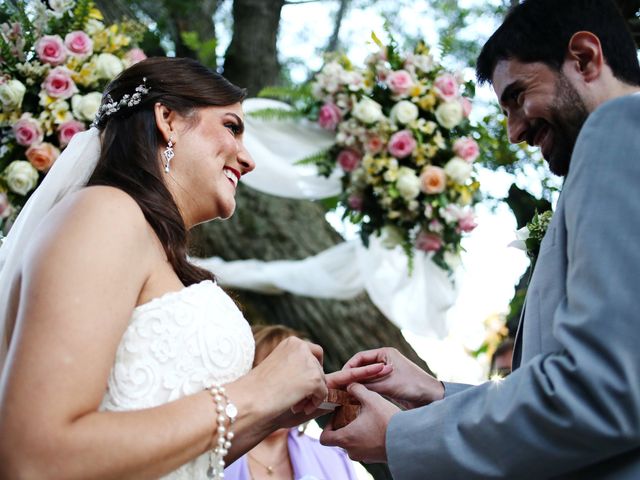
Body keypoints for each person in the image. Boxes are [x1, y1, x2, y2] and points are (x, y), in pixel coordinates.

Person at [0, 57, 383, 479]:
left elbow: (174, 463)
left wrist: (272, 412)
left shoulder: (149, 244)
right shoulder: (105, 213)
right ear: (167, 119)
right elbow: (35, 457)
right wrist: (258, 391)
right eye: (232, 127)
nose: (248, 159)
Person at [320, 0, 640, 477]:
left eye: (518, 96)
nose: (513, 132)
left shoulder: (616, 130)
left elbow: (604, 390)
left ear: (585, 58)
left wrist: (401, 436)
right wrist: (437, 394)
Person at [225, 325, 358, 480]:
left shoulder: (335, 461)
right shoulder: (210, 448)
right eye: (269, 374)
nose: (282, 390)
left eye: (292, 377)